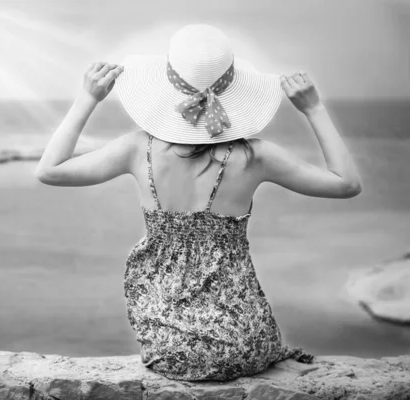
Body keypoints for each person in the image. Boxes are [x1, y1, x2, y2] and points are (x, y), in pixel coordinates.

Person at [35, 24, 362, 381]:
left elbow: (50, 170)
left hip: (171, 346)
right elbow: (346, 184)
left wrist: (88, 98)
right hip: (246, 345)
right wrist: (313, 108)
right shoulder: (255, 156)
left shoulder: (137, 149)